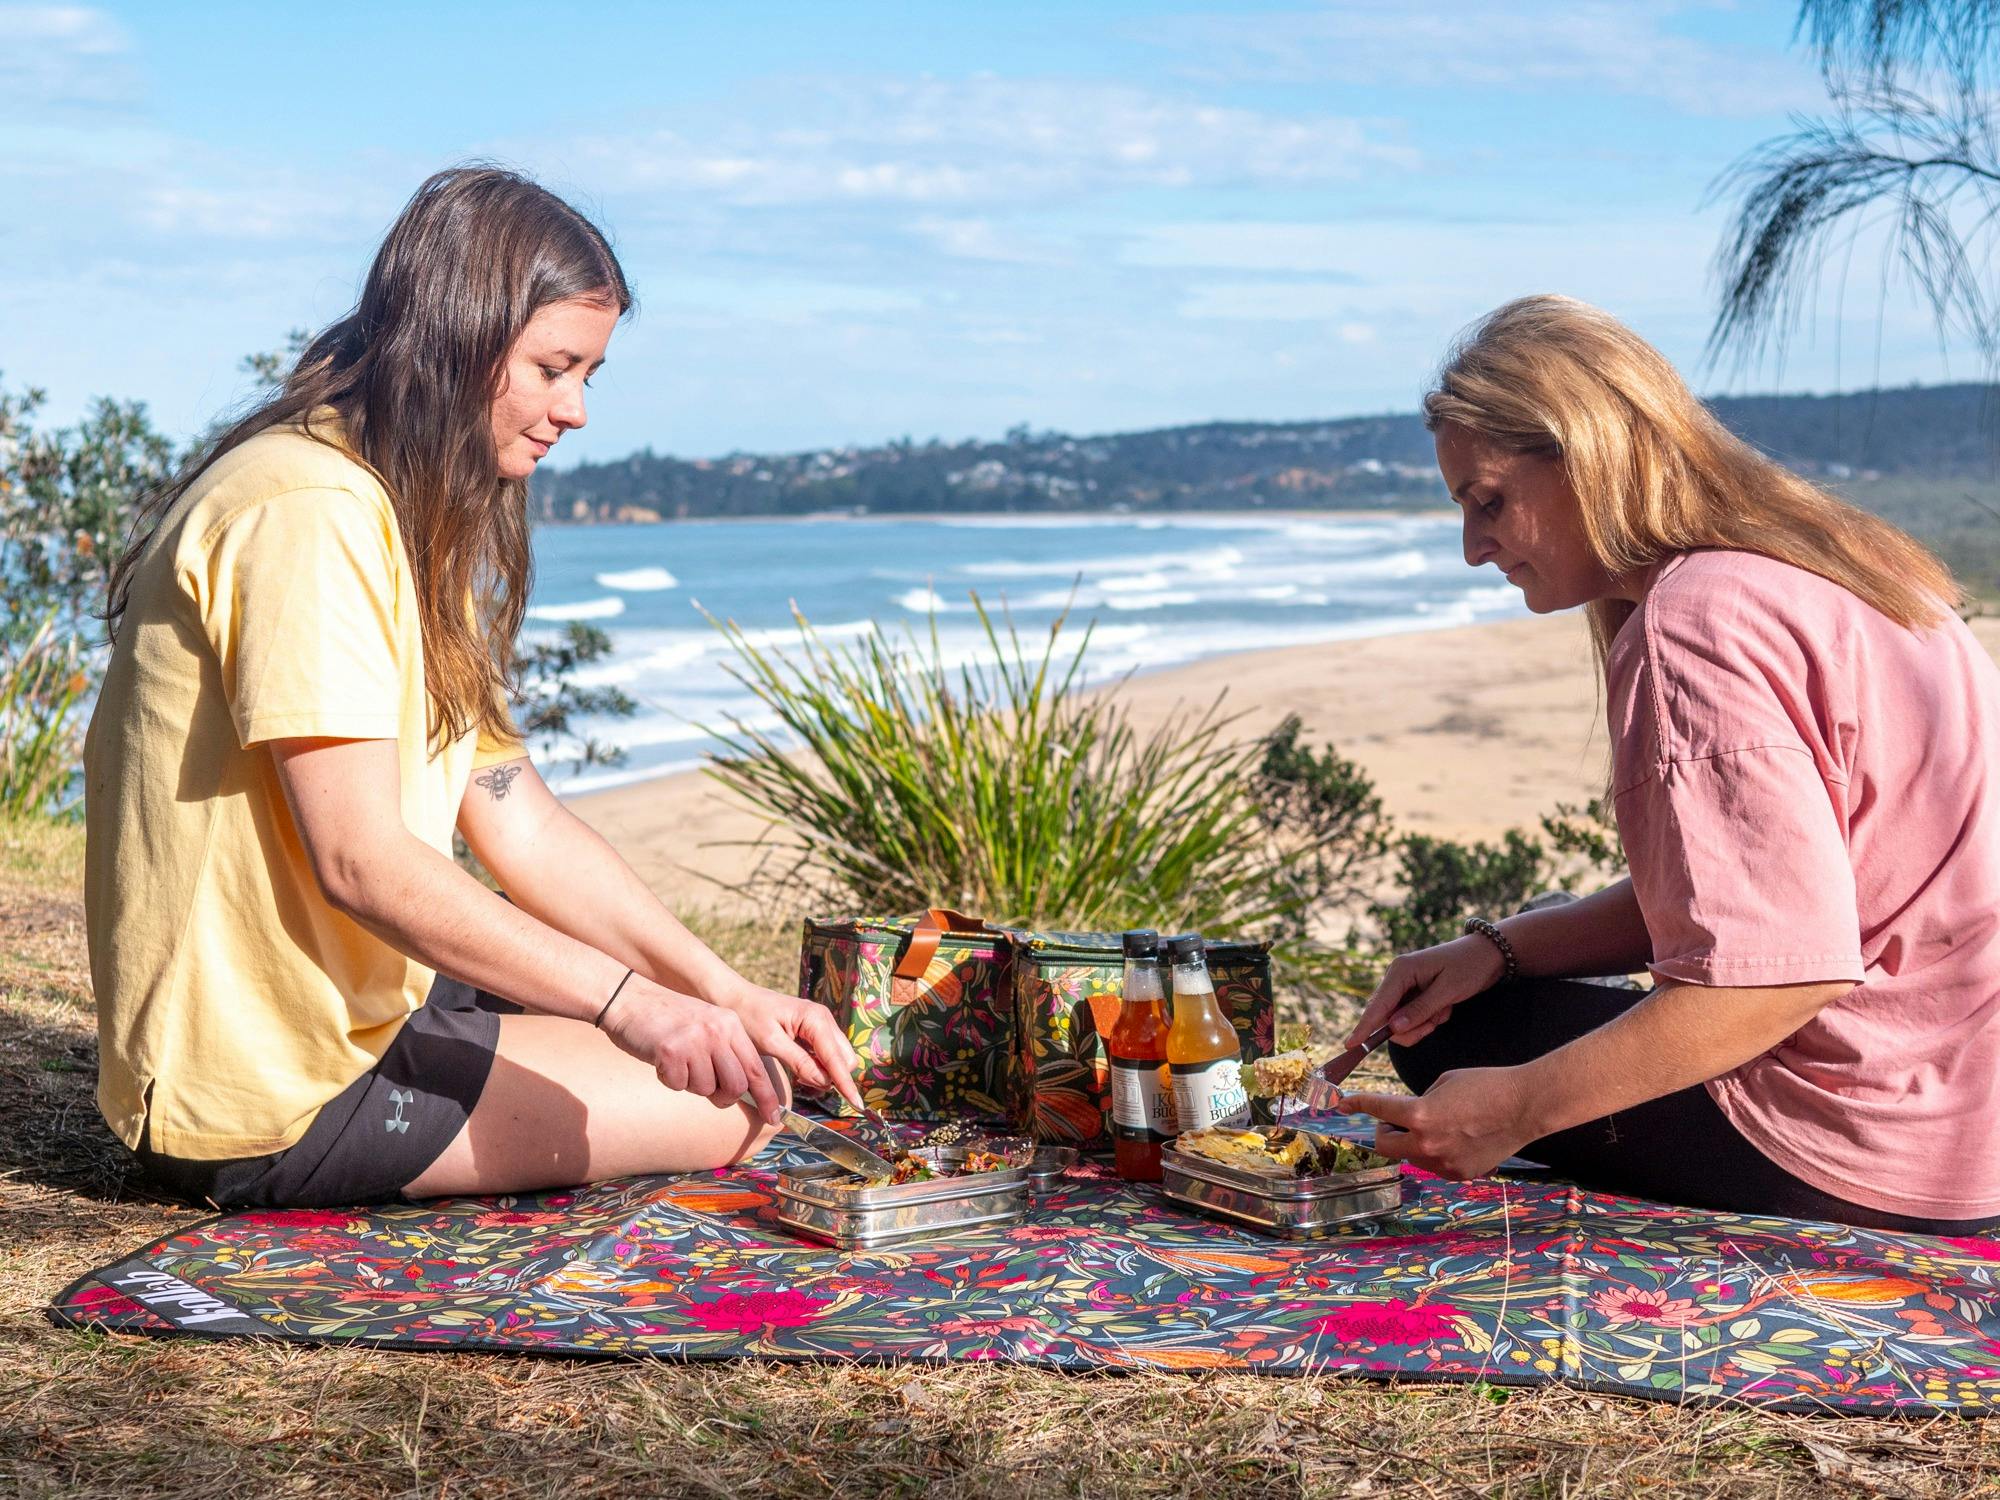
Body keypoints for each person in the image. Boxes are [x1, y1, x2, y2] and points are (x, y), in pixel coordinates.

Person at [86, 166, 860, 1212]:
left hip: (365, 1003)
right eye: (553, 367)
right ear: (457, 334)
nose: (574, 409)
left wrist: (719, 991)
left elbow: (516, 819)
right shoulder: (306, 509)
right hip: (268, 1093)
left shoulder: (396, 510)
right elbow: (360, 860)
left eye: (587, 374)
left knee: (729, 1050)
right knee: (738, 1102)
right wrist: (635, 1010)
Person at [1337, 294, 2000, 1234]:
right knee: (1485, 1003)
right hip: (1971, 1117)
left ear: (1593, 453)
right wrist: (1497, 948)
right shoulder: (1843, 569)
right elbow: (1764, 898)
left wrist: (1511, 1111)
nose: (1473, 548)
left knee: (1463, 1050)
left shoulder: (1695, 626)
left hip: (1869, 1143)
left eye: (1490, 502)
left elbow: (1776, 974)